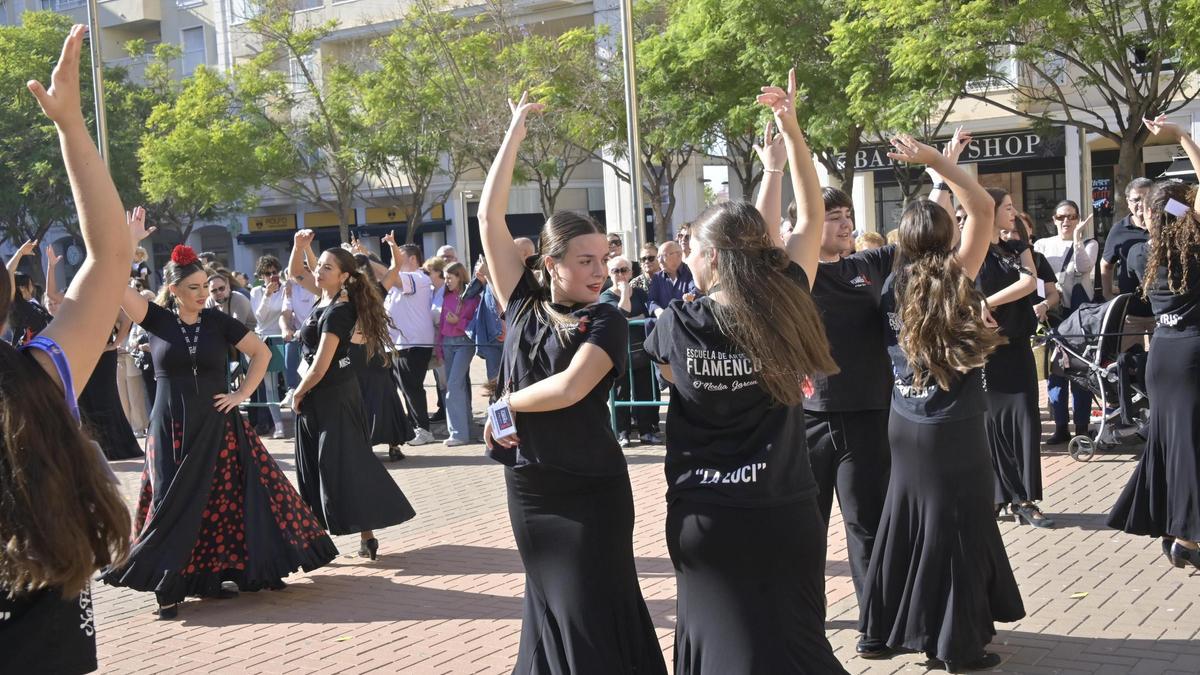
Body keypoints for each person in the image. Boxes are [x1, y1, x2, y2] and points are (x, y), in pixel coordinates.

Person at [645, 74, 847, 673]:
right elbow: (810, 217)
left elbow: (669, 379)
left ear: (707, 257)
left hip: (706, 516)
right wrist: (792, 138)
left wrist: (776, 166)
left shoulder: (676, 322)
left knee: (720, 653)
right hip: (784, 509)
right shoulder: (784, 303)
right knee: (795, 650)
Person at [479, 93, 666, 675]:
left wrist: (504, 403)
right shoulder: (521, 303)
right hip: (533, 488)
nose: (599, 269)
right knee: (548, 605)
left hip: (591, 488)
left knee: (590, 606)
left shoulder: (606, 319)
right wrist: (514, 129)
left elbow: (569, 389)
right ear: (552, 263)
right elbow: (490, 217)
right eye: (584, 259)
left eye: (603, 257)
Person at [858, 133, 1024, 672]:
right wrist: (938, 162)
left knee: (902, 522)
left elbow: (948, 215)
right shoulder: (956, 276)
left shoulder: (889, 283)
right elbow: (980, 205)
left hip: (903, 424)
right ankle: (956, 645)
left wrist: (937, 169)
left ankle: (878, 632)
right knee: (956, 527)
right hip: (953, 427)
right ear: (950, 234)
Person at [103, 239, 338, 619]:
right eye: (192, 288)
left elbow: (262, 353)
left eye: (204, 286)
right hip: (170, 427)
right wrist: (129, 245)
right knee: (169, 500)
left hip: (217, 423)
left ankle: (209, 577)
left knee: (220, 499)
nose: (201, 294)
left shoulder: (218, 321)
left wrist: (242, 393)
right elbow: (113, 283)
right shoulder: (156, 319)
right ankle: (168, 581)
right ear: (175, 290)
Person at [1, 27, 134, 672]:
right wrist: (70, 129)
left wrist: (72, 127)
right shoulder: (38, 378)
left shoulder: (33, 379)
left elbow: (111, 256)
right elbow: (112, 255)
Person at [287, 231, 416, 559]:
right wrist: (299, 247)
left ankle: (364, 534)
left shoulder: (339, 311)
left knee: (343, 465)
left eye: (327, 267)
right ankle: (333, 540)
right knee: (318, 468)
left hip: (333, 394)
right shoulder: (324, 297)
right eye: (321, 266)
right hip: (322, 394)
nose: (318, 271)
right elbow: (296, 273)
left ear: (344, 276)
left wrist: (297, 394)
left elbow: (320, 365)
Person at [1109, 114, 1200, 571]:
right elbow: (1187, 208)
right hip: (1190, 354)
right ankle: (1188, 537)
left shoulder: (1145, 252)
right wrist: (1183, 137)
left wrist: (1168, 207)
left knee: (1167, 441)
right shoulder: (1194, 249)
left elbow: (1172, 214)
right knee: (1188, 445)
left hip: (1161, 353)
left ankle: (1170, 526)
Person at [978, 187, 1054, 528]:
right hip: (987, 352)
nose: (1013, 211)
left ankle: (1024, 498)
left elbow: (1030, 283)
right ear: (989, 210)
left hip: (1019, 348)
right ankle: (996, 495)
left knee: (1025, 421)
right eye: (1006, 207)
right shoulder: (973, 252)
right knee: (990, 427)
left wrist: (988, 303)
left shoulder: (1016, 249)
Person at [350, 253, 413, 462]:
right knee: (384, 397)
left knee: (375, 397)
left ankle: (378, 444)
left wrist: (394, 249)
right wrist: (393, 249)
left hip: (367, 353)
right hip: (369, 353)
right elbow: (395, 267)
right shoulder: (373, 292)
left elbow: (395, 267)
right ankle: (391, 445)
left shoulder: (347, 295)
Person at [599, 255, 661, 447]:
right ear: (609, 274)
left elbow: (648, 315)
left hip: (642, 353)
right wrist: (625, 295)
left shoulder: (641, 294)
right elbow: (619, 317)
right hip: (619, 355)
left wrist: (630, 319)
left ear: (631, 272)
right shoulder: (606, 296)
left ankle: (647, 431)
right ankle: (622, 433)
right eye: (616, 271)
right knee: (620, 394)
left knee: (646, 392)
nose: (620, 275)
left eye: (624, 270)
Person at [382, 239, 438, 446]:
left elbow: (385, 274)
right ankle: (415, 426)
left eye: (398, 258)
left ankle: (423, 429)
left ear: (413, 259)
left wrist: (367, 259)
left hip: (414, 343)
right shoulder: (397, 281)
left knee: (412, 387)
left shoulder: (418, 278)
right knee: (404, 388)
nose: (393, 263)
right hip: (397, 344)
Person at [77, 309, 143, 460]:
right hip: (85, 355)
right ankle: (96, 448)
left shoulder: (105, 297)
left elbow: (126, 319)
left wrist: (114, 344)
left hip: (104, 355)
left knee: (106, 399)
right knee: (87, 399)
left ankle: (115, 448)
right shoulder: (79, 298)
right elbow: (52, 297)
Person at [1102, 177, 1156, 351]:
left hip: (1162, 311)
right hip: (1131, 311)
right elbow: (1106, 265)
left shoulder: (1167, 223)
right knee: (1131, 363)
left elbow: (1187, 212)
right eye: (1136, 200)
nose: (1141, 204)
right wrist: (1108, 294)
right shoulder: (1118, 229)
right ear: (1127, 202)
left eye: (1147, 198)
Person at [436, 261, 480, 446]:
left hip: (464, 344)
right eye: (445, 278)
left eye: (449, 278)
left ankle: (458, 434)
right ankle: (467, 431)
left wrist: (458, 322)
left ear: (459, 277)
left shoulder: (473, 298)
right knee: (456, 386)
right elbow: (441, 324)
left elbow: (474, 324)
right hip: (447, 343)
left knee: (453, 385)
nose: (446, 281)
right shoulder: (446, 297)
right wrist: (439, 347)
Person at [250, 255, 287, 438]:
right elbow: (260, 317)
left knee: (292, 382)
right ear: (261, 275)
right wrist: (267, 294)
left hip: (285, 338)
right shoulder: (257, 292)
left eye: (275, 272)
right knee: (270, 385)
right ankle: (278, 425)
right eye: (267, 273)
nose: (272, 276)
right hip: (265, 338)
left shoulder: (287, 288)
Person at [5, 241, 54, 346]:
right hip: (24, 354)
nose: (33, 286)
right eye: (30, 283)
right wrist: (20, 253)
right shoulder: (15, 304)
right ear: (22, 288)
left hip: (43, 348)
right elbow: (9, 270)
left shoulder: (33, 303)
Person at [467, 258, 505, 382]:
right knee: (494, 382)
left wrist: (488, 276)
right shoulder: (486, 286)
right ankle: (497, 401)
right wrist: (484, 280)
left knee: (512, 379)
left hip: (509, 336)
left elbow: (502, 296)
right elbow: (468, 295)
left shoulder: (509, 277)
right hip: (493, 336)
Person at [423, 256, 449, 424]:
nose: (426, 274)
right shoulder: (430, 291)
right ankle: (444, 410)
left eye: (428, 271)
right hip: (434, 340)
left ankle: (452, 413)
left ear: (439, 272)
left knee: (447, 378)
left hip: (446, 339)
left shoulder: (447, 291)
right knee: (439, 377)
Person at [648, 240, 699, 318]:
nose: (660, 261)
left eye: (664, 255)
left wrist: (690, 298)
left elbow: (694, 292)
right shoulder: (657, 278)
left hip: (685, 323)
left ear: (679, 255)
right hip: (664, 324)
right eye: (658, 257)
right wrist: (659, 312)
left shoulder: (691, 272)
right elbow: (651, 301)